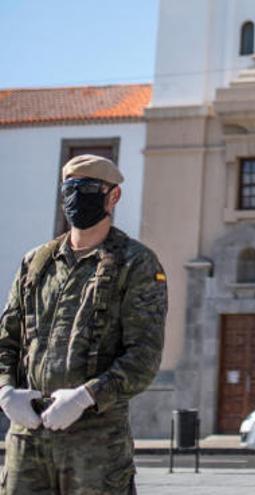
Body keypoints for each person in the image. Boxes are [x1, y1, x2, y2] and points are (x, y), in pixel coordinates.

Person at [0, 154, 167, 494]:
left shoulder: (135, 264)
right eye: (70, 188)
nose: (76, 197)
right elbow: (7, 340)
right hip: (28, 441)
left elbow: (143, 357)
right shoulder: (36, 263)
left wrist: (85, 398)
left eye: (88, 189)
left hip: (96, 446)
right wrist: (5, 392)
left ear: (113, 196)